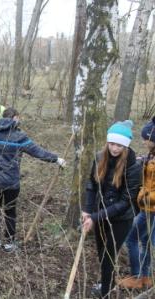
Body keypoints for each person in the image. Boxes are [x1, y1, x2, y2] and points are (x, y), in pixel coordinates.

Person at [0, 107, 66, 252]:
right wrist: (56, 159)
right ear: (15, 118)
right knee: (10, 211)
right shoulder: (19, 136)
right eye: (18, 118)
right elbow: (38, 152)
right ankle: (9, 243)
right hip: (11, 181)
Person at [82, 120, 141, 298]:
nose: (115, 148)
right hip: (99, 214)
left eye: (119, 145)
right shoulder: (100, 157)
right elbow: (92, 185)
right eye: (112, 144)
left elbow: (125, 202)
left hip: (121, 219)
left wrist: (95, 216)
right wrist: (87, 210)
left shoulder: (133, 166)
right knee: (102, 254)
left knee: (108, 255)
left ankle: (105, 292)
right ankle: (107, 281)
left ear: (126, 146)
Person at [118, 118, 155, 290]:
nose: (143, 141)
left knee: (131, 238)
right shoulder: (151, 156)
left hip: (151, 208)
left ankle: (136, 276)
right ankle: (145, 276)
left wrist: (145, 198)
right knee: (146, 241)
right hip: (148, 207)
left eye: (145, 139)